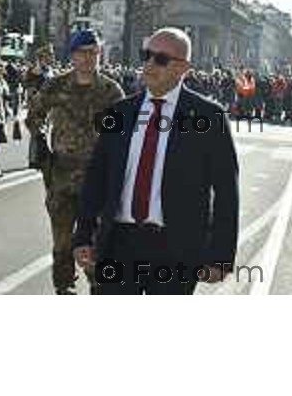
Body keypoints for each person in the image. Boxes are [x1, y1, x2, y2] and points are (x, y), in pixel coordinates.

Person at [72, 27, 240, 295]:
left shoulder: (209, 117)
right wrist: (83, 235)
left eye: (161, 59)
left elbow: (226, 192)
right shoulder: (121, 112)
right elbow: (97, 178)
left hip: (176, 249)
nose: (149, 64)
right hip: (118, 244)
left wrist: (220, 256)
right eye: (146, 55)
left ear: (183, 68)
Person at [26, 29, 124, 295]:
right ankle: (64, 286)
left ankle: (99, 286)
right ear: (72, 55)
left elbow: (123, 133)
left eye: (94, 53)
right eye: (83, 53)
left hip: (97, 179)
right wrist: (40, 138)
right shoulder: (55, 85)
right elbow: (34, 114)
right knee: (62, 241)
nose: (88, 58)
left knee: (94, 240)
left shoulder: (110, 90)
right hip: (61, 176)